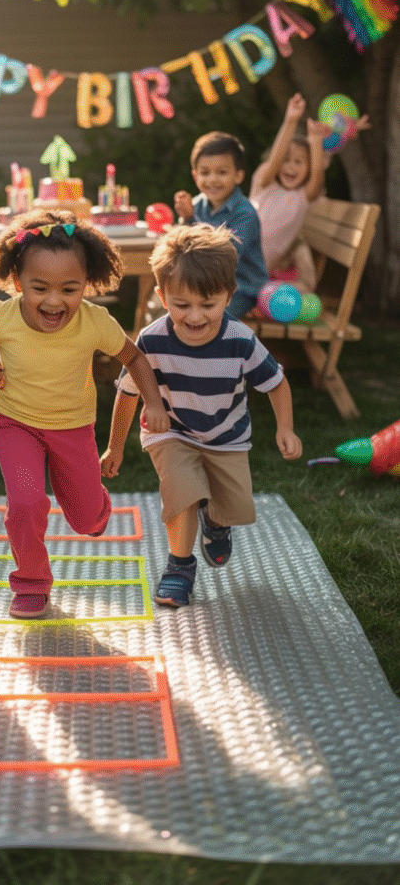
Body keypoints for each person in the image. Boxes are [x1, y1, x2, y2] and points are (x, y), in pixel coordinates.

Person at [0, 210, 169, 620]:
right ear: (18, 282)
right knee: (26, 502)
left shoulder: (94, 322)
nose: (54, 301)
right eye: (39, 288)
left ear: (88, 285)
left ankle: (93, 504)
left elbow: (135, 358)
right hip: (14, 423)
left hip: (73, 430)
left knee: (87, 521)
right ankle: (32, 584)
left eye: (69, 289)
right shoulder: (2, 317)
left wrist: (155, 403)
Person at [100, 223, 302, 608]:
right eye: (181, 304)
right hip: (171, 433)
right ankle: (179, 567)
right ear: (161, 296)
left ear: (229, 296)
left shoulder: (241, 340)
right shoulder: (151, 340)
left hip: (226, 436)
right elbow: (127, 394)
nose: (194, 316)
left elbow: (276, 383)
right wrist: (114, 449)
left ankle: (218, 519)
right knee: (182, 493)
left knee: (236, 506)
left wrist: (286, 429)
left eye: (207, 305)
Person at [173, 131, 267, 318]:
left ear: (239, 176)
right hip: (204, 287)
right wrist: (183, 220)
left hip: (241, 290)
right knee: (171, 305)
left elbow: (224, 255)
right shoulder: (197, 205)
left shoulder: (245, 213)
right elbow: (181, 247)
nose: (212, 179)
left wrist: (191, 221)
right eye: (205, 173)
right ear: (195, 176)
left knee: (208, 316)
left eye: (222, 172)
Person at [250, 93, 328, 292]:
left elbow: (318, 173)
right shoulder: (264, 182)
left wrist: (316, 142)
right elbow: (276, 157)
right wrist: (291, 121)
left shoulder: (303, 197)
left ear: (308, 168)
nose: (290, 166)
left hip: (258, 276)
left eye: (299, 161)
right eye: (287, 160)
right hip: (237, 258)